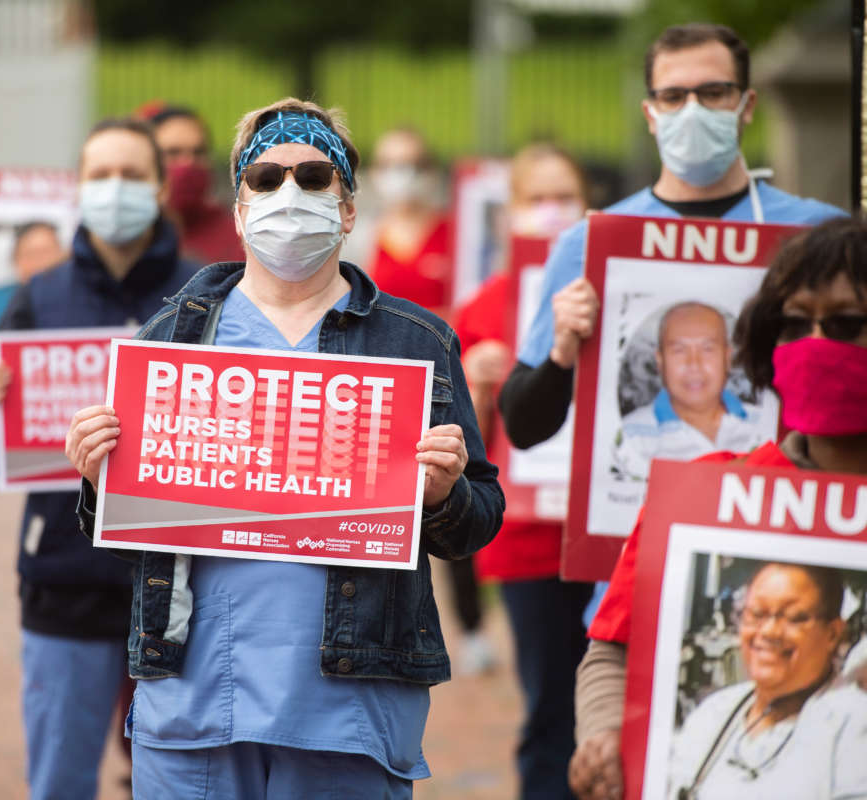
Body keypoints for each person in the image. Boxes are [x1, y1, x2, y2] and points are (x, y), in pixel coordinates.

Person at [65, 97, 503, 799]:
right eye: (265, 180)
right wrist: (98, 478)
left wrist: (445, 495)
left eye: (313, 176)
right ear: (239, 210)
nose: (289, 194)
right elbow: (124, 539)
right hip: (194, 709)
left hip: (348, 718)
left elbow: (478, 520)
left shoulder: (415, 344)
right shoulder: (169, 342)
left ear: (349, 207)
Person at [568, 215, 867, 800]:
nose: (815, 344)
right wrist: (604, 736)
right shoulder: (707, 493)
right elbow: (614, 650)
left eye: (850, 324)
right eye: (793, 324)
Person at [0, 116, 198, 800]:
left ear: (160, 187)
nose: (115, 189)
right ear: (78, 188)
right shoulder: (38, 299)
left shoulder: (211, 294)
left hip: (181, 582)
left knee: (181, 782)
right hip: (65, 578)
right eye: (100, 176)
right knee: (62, 781)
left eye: (132, 175)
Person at [499, 23, 844, 457]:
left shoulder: (818, 235)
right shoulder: (588, 244)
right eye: (674, 97)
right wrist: (562, 352)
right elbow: (523, 427)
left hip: (778, 506)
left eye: (714, 92)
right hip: (632, 516)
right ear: (651, 114)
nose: (693, 111)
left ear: (747, 104)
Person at [455, 142, 595, 800]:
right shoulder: (487, 304)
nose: (551, 211)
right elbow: (461, 441)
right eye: (535, 199)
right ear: (509, 213)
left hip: (608, 531)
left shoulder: (606, 286)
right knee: (547, 705)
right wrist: (479, 383)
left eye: (564, 196)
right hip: (528, 537)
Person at [669, 562, 867, 798]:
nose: (768, 631)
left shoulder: (860, 726)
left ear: (833, 634)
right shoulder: (714, 713)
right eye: (756, 614)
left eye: (794, 618)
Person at [613, 301, 768, 480]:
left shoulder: (767, 427)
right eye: (679, 350)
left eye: (707, 349)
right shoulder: (629, 435)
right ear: (660, 360)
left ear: (727, 358)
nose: (694, 364)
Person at [364, 127, 452, 315]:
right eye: (388, 164)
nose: (402, 174)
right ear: (374, 171)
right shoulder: (360, 236)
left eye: (414, 164)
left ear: (432, 170)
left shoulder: (455, 233)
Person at [143, 103, 243, 265]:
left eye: (198, 152)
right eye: (173, 153)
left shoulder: (240, 238)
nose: (188, 163)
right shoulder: (132, 236)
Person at [0, 220, 67, 333]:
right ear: (16, 260)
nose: (40, 263)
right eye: (31, 254)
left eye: (46, 252)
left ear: (64, 257)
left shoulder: (83, 297)